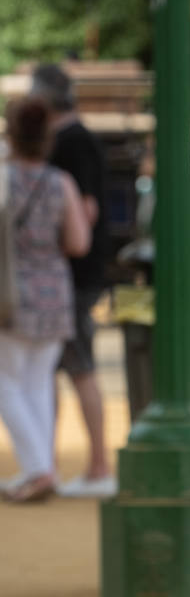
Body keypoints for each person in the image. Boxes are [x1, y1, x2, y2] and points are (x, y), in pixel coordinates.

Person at [0, 96, 92, 503]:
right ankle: (41, 468)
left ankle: (38, 469)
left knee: (7, 383)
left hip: (11, 293)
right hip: (54, 292)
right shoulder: (61, 183)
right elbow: (78, 242)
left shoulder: (4, 178)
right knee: (37, 383)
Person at [29, 64, 113, 498]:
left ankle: (97, 465)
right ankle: (44, 464)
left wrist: (44, 243)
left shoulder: (73, 142)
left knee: (79, 367)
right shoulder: (75, 140)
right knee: (55, 370)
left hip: (72, 277)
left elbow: (86, 212)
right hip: (69, 275)